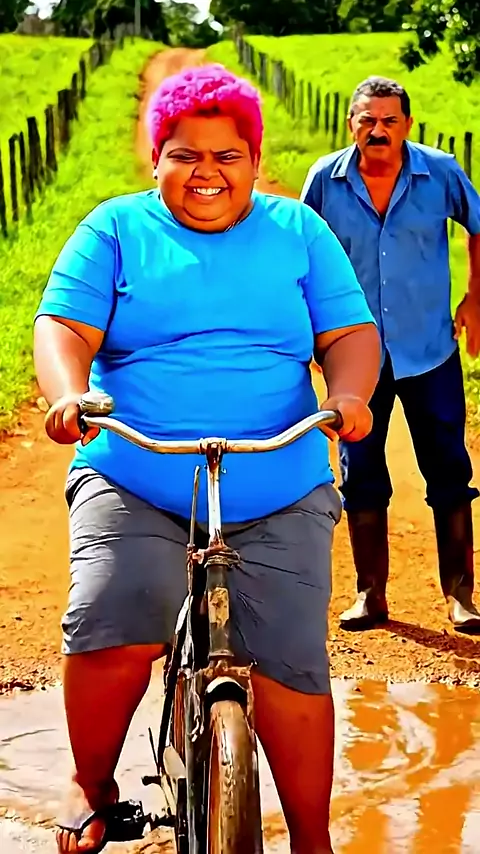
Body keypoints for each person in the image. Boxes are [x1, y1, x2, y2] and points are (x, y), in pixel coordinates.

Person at [34, 64, 380, 854]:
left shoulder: (299, 232)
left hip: (278, 477)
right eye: (185, 155)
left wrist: (350, 393)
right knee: (118, 610)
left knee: (290, 659)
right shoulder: (115, 230)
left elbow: (350, 334)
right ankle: (91, 784)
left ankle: (312, 837)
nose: (206, 173)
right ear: (156, 159)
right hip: (136, 471)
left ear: (255, 161)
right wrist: (70, 394)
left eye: (227, 156)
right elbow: (63, 328)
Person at [301, 75, 480, 634]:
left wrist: (475, 296)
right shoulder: (325, 181)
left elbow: (478, 226)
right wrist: (307, 330)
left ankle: (460, 595)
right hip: (353, 354)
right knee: (360, 469)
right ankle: (370, 593)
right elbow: (299, 252)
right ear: (351, 123)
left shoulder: (440, 172)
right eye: (368, 120)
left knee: (448, 467)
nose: (378, 130)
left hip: (430, 348)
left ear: (407, 124)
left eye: (389, 121)